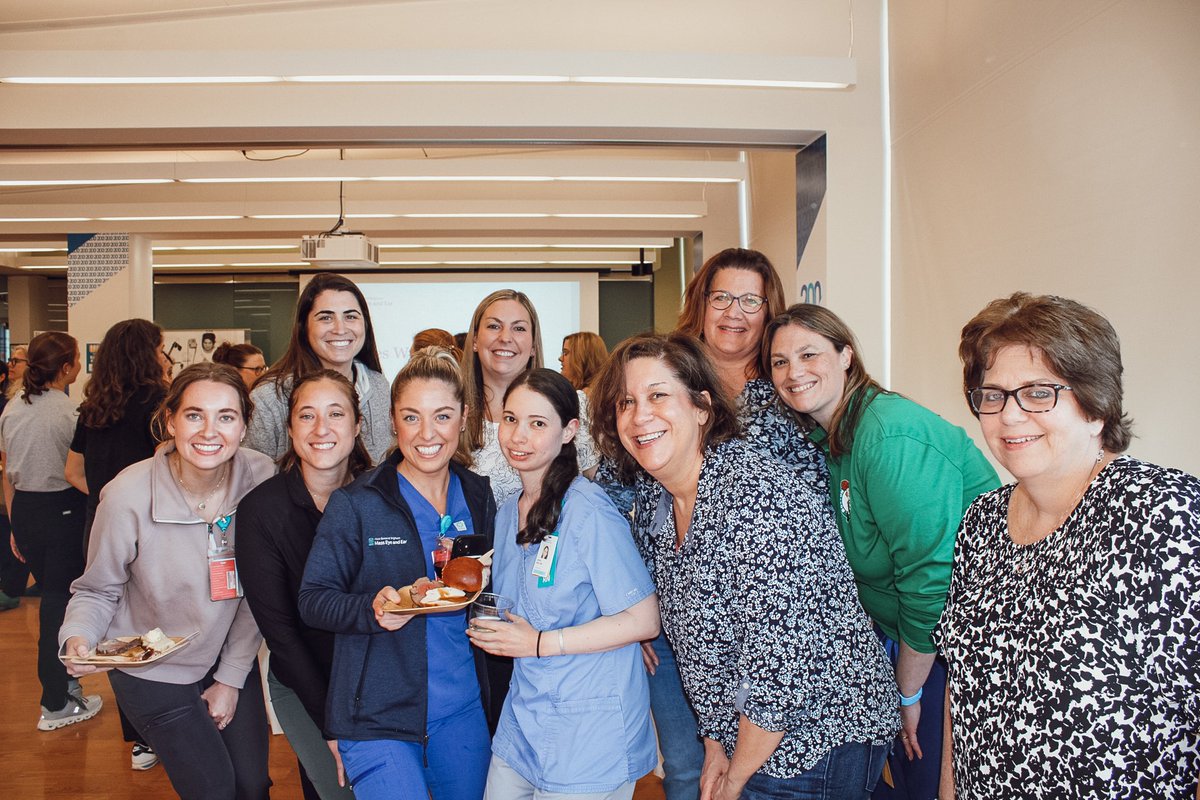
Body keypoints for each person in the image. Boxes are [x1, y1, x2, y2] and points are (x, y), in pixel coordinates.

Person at [590, 332, 898, 799]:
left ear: (701, 407)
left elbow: (780, 670)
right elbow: (695, 646)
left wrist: (734, 776)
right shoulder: (656, 496)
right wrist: (715, 742)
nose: (640, 415)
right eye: (625, 402)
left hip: (819, 739)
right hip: (746, 733)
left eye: (658, 395)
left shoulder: (758, 497)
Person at [934, 293, 1200, 799]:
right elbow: (964, 690)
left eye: (1037, 393)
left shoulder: (1164, 515)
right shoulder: (983, 521)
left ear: (1096, 405)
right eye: (992, 395)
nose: (1008, 416)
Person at [608, 248, 828, 800]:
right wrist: (626, 611)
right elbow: (615, 500)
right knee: (687, 769)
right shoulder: (659, 373)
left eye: (750, 300)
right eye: (721, 297)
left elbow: (785, 616)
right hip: (681, 625)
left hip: (774, 631)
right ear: (700, 306)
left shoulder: (790, 391)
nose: (734, 311)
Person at [763, 304, 998, 799]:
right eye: (779, 362)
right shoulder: (830, 437)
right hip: (903, 640)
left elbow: (930, 582)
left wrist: (907, 692)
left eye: (809, 354)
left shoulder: (888, 436)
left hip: (948, 654)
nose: (793, 371)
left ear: (846, 355)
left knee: (929, 786)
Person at [60, 363, 275, 799]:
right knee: (213, 789)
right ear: (170, 419)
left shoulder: (261, 477)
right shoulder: (127, 494)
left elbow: (261, 591)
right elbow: (98, 588)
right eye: (195, 415)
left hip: (227, 650)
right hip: (151, 666)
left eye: (226, 417)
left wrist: (230, 679)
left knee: (252, 787)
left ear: (244, 425)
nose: (209, 431)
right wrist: (77, 637)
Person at [299, 347, 497, 800]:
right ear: (392, 421)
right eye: (411, 417)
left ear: (464, 418)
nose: (427, 433)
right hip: (376, 715)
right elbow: (313, 598)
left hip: (462, 710)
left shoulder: (479, 494)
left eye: (442, 416)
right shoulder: (358, 503)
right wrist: (372, 607)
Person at [467, 368, 659, 799]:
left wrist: (539, 643)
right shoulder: (506, 515)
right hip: (527, 714)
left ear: (569, 431)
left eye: (538, 424)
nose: (519, 436)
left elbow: (644, 619)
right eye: (511, 419)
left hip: (591, 725)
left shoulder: (589, 511)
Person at [239, 370, 368, 800]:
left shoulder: (385, 495)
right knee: (337, 790)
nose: (321, 429)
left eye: (335, 414)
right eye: (307, 416)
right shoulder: (263, 509)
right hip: (305, 680)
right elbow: (281, 636)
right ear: (290, 427)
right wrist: (330, 725)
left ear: (357, 425)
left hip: (378, 681)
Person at [62, 318, 171, 769]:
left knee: (120, 625)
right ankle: (166, 723)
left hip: (100, 524)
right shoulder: (160, 405)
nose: (167, 356)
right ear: (149, 352)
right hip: (153, 527)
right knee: (162, 623)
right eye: (162, 347)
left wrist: (112, 500)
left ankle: (140, 739)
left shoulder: (94, 406)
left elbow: (73, 472)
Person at [0, 331, 93, 729]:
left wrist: (14, 524)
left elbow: (7, 473)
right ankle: (55, 702)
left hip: (25, 509)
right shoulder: (68, 414)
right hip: (61, 512)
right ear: (68, 367)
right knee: (58, 602)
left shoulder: (11, 409)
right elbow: (76, 475)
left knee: (58, 601)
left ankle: (66, 686)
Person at [462, 289, 598, 506]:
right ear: (475, 340)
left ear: (533, 345)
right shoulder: (454, 414)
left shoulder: (572, 405)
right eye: (494, 326)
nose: (505, 338)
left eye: (519, 328)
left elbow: (599, 488)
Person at [245, 272, 392, 464]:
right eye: (325, 318)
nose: (340, 329)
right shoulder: (269, 399)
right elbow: (251, 477)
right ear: (304, 327)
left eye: (350, 316)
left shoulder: (378, 385)